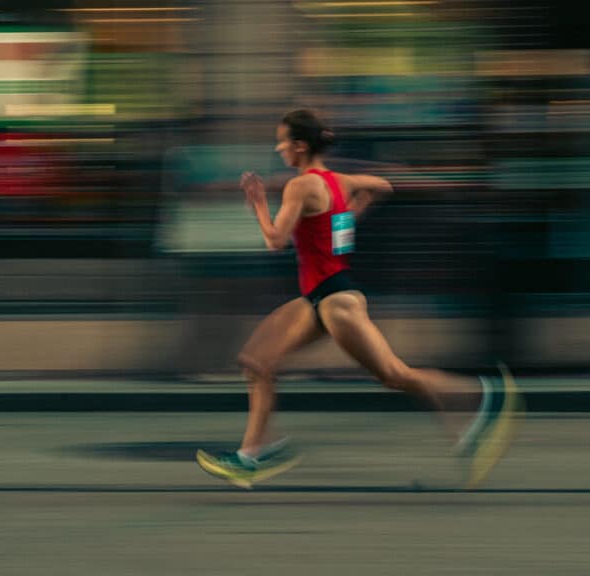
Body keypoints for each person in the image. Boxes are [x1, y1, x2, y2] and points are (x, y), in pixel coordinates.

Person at [196, 110, 522, 489]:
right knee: (255, 362)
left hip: (337, 301)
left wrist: (256, 203)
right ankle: (254, 455)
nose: (279, 147)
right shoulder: (341, 181)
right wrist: (348, 214)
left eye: (283, 140)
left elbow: (275, 240)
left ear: (300, 146)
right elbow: (382, 185)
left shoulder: (300, 187)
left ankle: (482, 397)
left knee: (395, 375)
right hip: (318, 298)